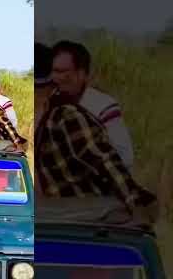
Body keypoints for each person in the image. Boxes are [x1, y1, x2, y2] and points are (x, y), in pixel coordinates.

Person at [34, 42, 157, 219]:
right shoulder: (39, 116)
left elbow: (106, 160)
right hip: (55, 215)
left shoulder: (67, 115)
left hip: (87, 217)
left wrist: (138, 203)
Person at [51, 40, 134, 169]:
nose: (57, 78)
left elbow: (124, 156)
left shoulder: (102, 106)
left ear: (82, 73)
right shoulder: (48, 102)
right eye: (53, 71)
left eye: (63, 72)